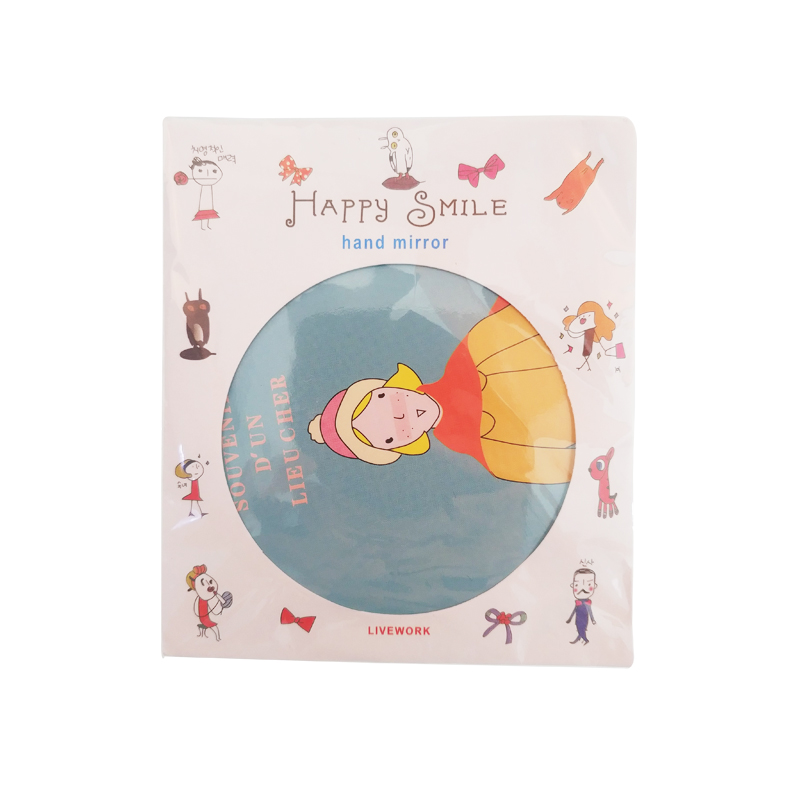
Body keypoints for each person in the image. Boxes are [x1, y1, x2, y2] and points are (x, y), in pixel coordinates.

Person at [308, 297, 575, 485]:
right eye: (389, 436)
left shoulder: (472, 351)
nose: (400, 417)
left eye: (386, 401)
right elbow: (562, 465)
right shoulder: (486, 453)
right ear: (403, 447)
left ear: (393, 386)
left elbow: (523, 310)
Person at [189, 157, 222, 230]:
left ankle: (206, 225)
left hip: (208, 201)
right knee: (204, 211)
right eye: (200, 170)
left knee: (208, 212)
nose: (207, 174)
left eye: (214, 171)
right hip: (204, 201)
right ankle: (203, 226)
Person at [566, 568, 597, 644]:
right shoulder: (578, 603)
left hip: (584, 617)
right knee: (578, 627)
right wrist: (570, 619)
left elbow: (590, 611)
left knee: (581, 628)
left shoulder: (587, 603)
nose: (583, 588)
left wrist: (592, 619)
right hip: (578, 617)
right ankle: (579, 638)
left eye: (589, 584)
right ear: (573, 586)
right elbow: (574, 611)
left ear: (594, 586)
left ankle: (585, 639)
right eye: (577, 585)